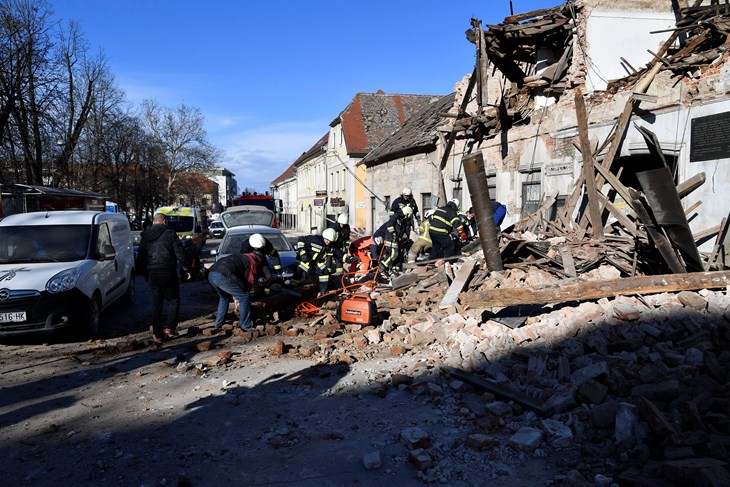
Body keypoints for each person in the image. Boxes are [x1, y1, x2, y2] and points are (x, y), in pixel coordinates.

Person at [135, 212, 192, 346]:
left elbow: (140, 257)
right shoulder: (170, 234)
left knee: (156, 304)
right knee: (173, 299)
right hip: (168, 271)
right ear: (164, 221)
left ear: (154, 222)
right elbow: (180, 253)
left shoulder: (146, 237)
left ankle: (158, 335)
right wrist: (187, 269)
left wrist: (143, 274)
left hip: (153, 274)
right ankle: (170, 327)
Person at [207, 251, 265, 331]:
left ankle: (218, 323)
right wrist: (244, 294)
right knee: (245, 297)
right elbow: (249, 280)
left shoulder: (240, 256)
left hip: (211, 274)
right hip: (222, 276)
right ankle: (245, 325)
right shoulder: (252, 262)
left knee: (224, 297)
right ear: (258, 261)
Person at [296, 228, 339, 296]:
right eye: (327, 240)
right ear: (324, 237)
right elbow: (301, 239)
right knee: (299, 270)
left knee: (325, 272)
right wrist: (302, 252)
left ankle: (323, 292)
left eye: (330, 241)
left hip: (316, 262)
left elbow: (339, 254)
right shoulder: (314, 239)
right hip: (305, 260)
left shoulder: (330, 246)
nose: (328, 242)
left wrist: (350, 259)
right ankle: (294, 285)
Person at [373, 206, 413, 276]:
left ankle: (395, 269)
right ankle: (382, 266)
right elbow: (390, 225)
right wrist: (393, 235)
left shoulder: (402, 220)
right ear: (406, 213)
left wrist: (402, 238)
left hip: (395, 240)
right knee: (394, 253)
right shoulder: (396, 216)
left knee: (398, 254)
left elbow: (401, 231)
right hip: (390, 238)